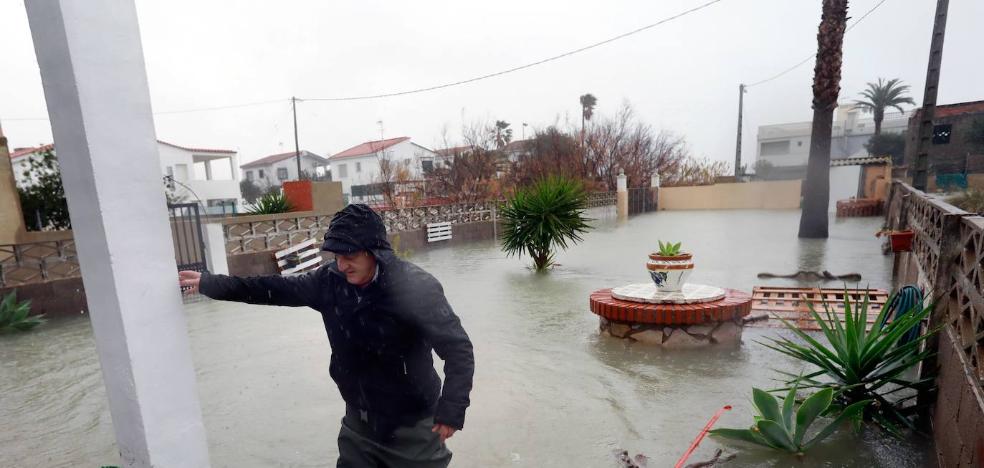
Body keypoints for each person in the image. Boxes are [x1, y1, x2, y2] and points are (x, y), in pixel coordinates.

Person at [178, 204, 474, 467]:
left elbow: (458, 349)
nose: (342, 264)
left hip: (413, 427)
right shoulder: (329, 282)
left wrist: (451, 409)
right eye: (336, 255)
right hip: (358, 426)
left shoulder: (416, 288)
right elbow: (270, 288)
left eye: (351, 255)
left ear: (375, 251)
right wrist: (210, 284)